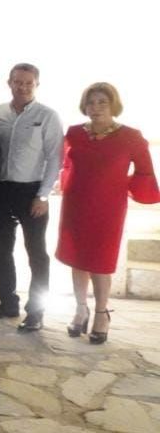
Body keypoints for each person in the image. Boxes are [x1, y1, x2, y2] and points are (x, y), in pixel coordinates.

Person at [57, 83, 158, 344]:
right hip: (75, 205)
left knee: (100, 261)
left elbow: (145, 170)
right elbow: (66, 165)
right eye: (91, 102)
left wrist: (125, 187)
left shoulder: (131, 136)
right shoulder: (74, 132)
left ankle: (101, 313)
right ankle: (80, 309)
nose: (96, 107)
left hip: (108, 208)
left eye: (102, 102)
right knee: (77, 257)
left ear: (113, 104)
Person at [0, 63, 64, 331]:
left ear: (36, 85)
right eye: (18, 82)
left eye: (29, 83)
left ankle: (36, 312)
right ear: (9, 83)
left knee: (36, 253)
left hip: (31, 192)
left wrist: (43, 195)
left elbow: (55, 158)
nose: (23, 87)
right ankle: (7, 303)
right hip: (0, 190)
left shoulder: (48, 116)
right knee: (2, 250)